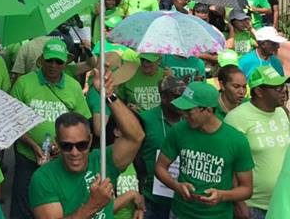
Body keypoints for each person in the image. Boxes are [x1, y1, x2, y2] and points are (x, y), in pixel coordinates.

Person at [29, 77, 145, 219]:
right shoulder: (44, 178)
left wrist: (109, 95)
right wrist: (94, 204)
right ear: (58, 143)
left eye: (81, 145)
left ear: (89, 141)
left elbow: (136, 136)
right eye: (67, 146)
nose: (74, 152)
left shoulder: (102, 161)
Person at [10, 36, 91, 219]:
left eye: (58, 61)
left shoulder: (73, 87)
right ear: (42, 60)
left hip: (61, 161)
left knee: (56, 205)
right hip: (27, 158)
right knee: (23, 205)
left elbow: (83, 123)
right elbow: (12, 120)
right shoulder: (24, 83)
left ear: (64, 63)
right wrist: (34, 146)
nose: (53, 65)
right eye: (49, 60)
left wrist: (62, 147)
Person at [155, 81, 254, 219]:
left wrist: (222, 196)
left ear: (207, 110)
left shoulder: (236, 140)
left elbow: (247, 189)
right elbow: (160, 167)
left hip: (218, 215)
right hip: (180, 213)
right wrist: (176, 186)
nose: (184, 115)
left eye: (189, 111)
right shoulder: (178, 131)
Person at [225, 66, 290, 219]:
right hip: (254, 208)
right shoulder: (236, 118)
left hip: (281, 204)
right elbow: (228, 165)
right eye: (277, 88)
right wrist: (239, 203)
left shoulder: (282, 112)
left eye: (283, 86)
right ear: (259, 92)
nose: (283, 91)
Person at [137, 75, 186, 219]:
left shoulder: (190, 121)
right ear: (164, 97)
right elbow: (135, 159)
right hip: (151, 199)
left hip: (182, 199)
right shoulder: (145, 119)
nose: (182, 101)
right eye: (177, 96)